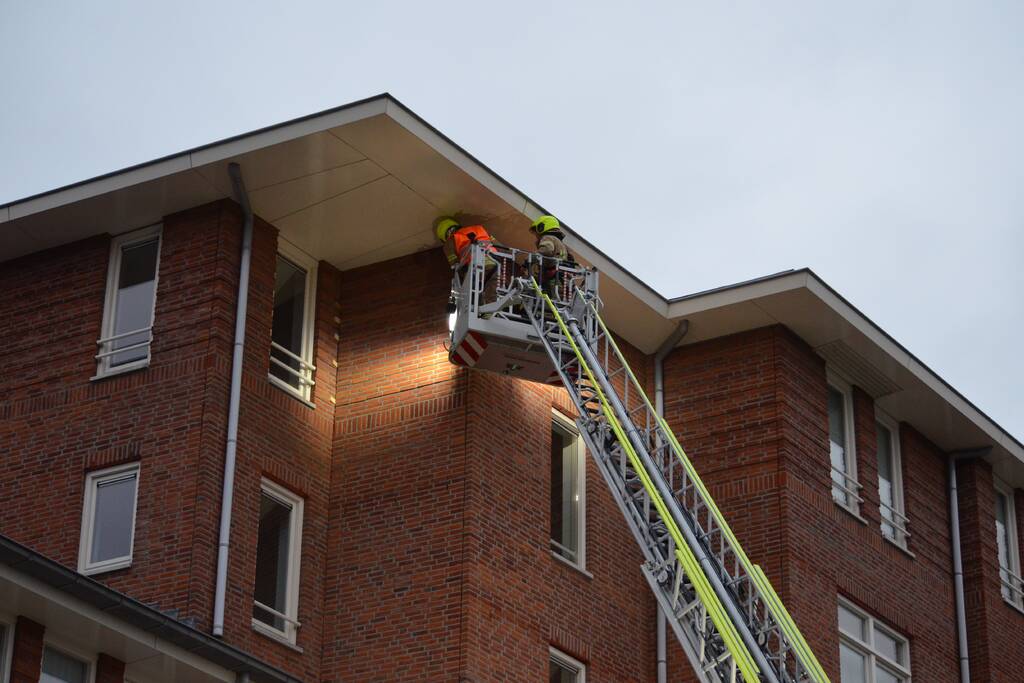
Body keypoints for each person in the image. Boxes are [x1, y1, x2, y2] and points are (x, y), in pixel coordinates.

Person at [434, 216, 498, 282]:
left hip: (476, 266)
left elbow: (455, 265)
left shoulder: (450, 241)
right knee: (495, 283)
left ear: (445, 236)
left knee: (488, 286)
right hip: (493, 259)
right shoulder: (479, 228)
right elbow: (497, 244)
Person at [529, 215, 572, 298]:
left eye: (536, 231)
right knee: (557, 302)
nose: (536, 235)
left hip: (552, 279)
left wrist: (530, 259)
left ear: (542, 227)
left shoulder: (547, 238)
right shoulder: (563, 245)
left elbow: (547, 250)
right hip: (562, 279)